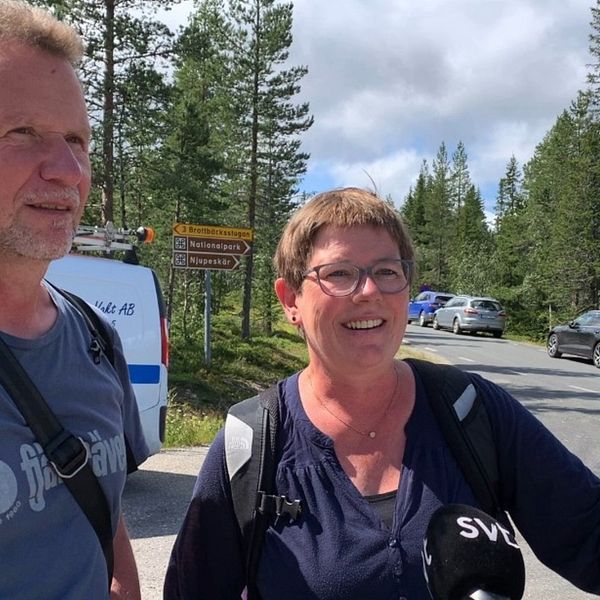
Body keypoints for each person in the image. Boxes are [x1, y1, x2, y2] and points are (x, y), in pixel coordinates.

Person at [164, 187, 600, 598]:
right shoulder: (252, 443)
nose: (369, 291)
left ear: (407, 288)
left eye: (387, 271)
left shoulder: (471, 410)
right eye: (339, 274)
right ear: (290, 299)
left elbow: (588, 533)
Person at [0, 1, 148, 599]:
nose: (68, 169)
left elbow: (104, 514)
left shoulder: (92, 334)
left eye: (77, 140)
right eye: (23, 133)